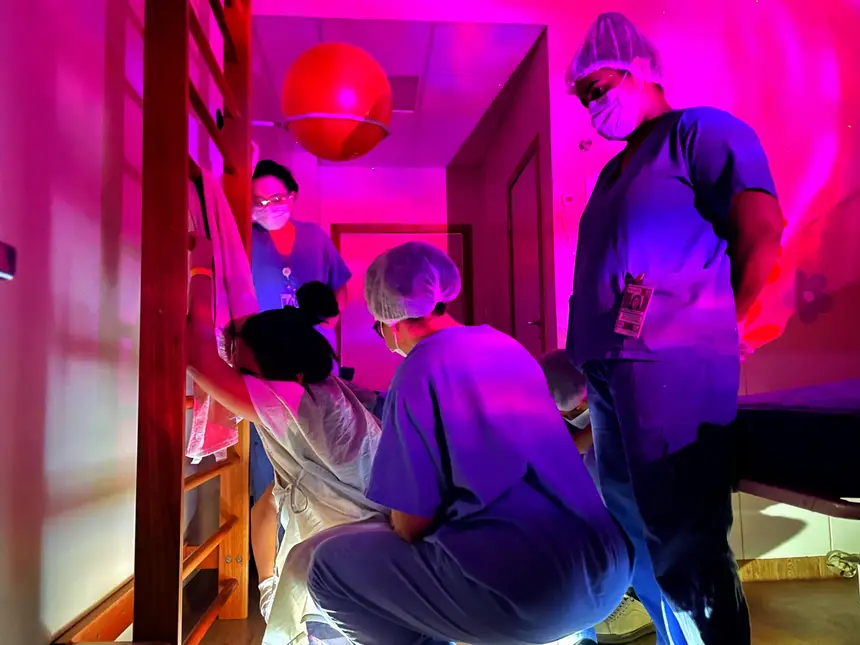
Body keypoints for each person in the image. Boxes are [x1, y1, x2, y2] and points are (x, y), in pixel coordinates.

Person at [565, 12, 784, 645]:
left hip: (673, 362)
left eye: (597, 87)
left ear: (638, 70)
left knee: (682, 534)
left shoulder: (700, 132)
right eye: (582, 97)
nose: (591, 105)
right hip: (611, 370)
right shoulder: (612, 174)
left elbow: (761, 230)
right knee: (635, 531)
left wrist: (727, 330)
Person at [306, 241, 632, 645]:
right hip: (606, 570)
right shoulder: (508, 347)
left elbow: (410, 526)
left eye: (378, 327)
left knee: (326, 567)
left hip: (532, 593)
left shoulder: (418, 370)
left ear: (391, 322)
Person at [185, 231, 384, 644]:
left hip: (360, 566)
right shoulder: (318, 391)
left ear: (285, 372)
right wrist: (268, 589)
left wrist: (202, 266)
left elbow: (198, 358)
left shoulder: (298, 403)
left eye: (246, 373)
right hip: (354, 555)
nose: (239, 383)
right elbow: (267, 506)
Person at [248, 160, 354, 606]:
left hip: (311, 367)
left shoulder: (315, 238)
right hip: (266, 368)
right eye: (257, 200)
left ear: (292, 196)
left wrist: (327, 322)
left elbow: (341, 289)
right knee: (271, 477)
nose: (267, 206)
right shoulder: (244, 240)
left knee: (319, 468)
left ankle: (318, 577)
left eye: (275, 198)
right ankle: (271, 582)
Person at [539, 350, 656, 645]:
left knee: (654, 585)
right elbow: (568, 449)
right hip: (601, 529)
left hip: (637, 524)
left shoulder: (628, 410)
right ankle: (584, 633)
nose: (571, 416)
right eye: (565, 414)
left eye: (577, 408)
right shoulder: (562, 425)